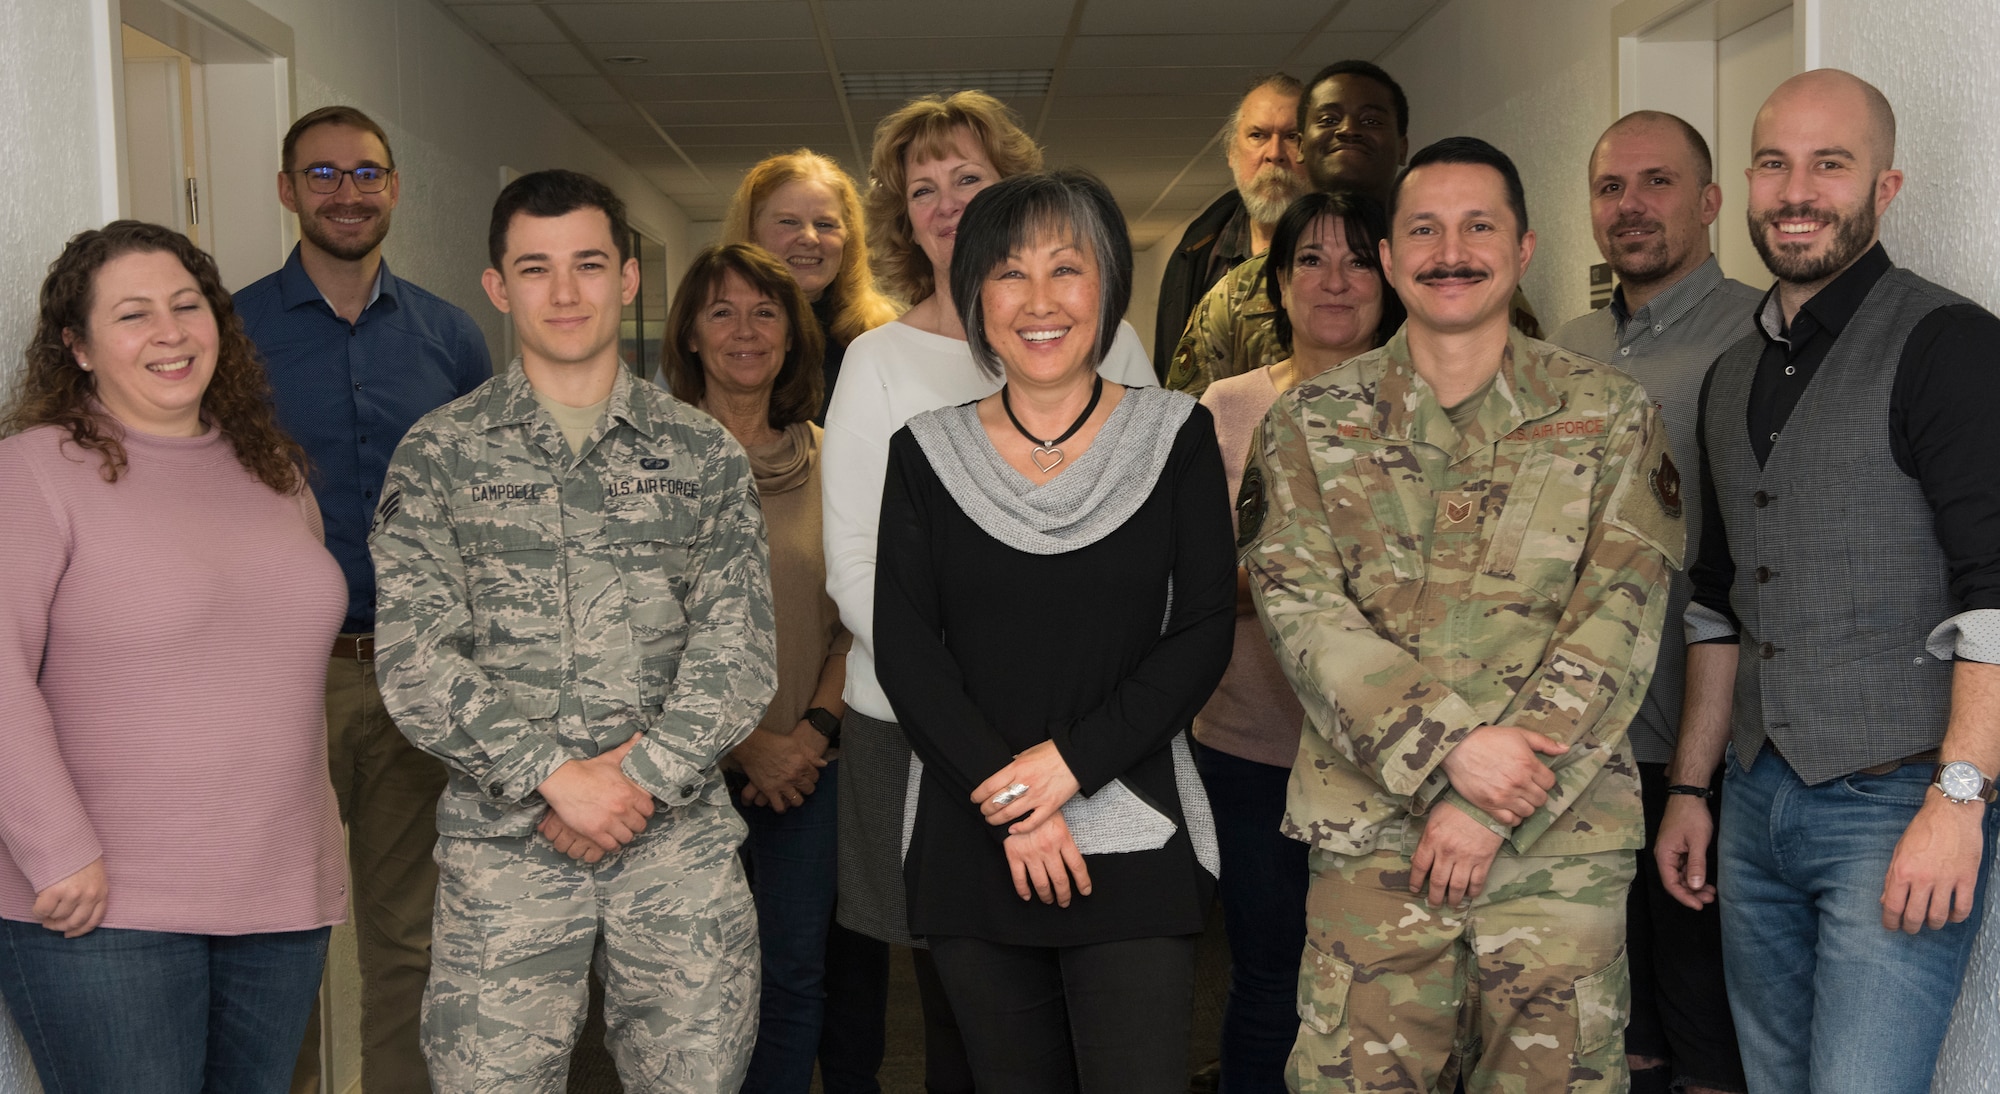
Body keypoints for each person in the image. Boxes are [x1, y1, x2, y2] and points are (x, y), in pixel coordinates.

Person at [1239, 137, 1684, 1092]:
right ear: (1391, 259)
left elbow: (1621, 615)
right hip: (1373, 848)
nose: (1452, 250)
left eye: (1479, 226)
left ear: (1523, 249)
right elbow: (1304, 615)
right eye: (1424, 230)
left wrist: (1486, 796)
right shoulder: (1307, 425)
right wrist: (1449, 750)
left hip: (1555, 853)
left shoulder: (1610, 414)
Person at [371, 169, 776, 1092]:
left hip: (676, 854)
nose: (565, 293)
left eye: (589, 265)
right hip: (504, 852)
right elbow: (417, 658)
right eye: (536, 268)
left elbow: (739, 651)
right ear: (497, 286)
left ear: (629, 280)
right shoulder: (440, 454)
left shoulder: (702, 452)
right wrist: (557, 780)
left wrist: (632, 783)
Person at [1655, 69, 2000, 1094]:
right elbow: (1716, 602)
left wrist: (1959, 796)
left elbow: (1993, 588)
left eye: (1827, 164)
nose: (1794, 190)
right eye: (1772, 163)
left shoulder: (1949, 343)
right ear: (1744, 186)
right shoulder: (1730, 373)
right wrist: (1689, 787)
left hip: (1895, 798)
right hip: (1755, 800)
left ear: (1882, 187)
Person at [819, 89, 1157, 1094]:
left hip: (1084, 726)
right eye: (921, 187)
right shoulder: (876, 363)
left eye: (966, 177)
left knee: (1093, 986)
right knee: (962, 1012)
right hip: (923, 733)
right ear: (899, 217)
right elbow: (856, 565)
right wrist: (976, 723)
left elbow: (1146, 544)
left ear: (1014, 187)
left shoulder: (1109, 341)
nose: (944, 200)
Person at [874, 168, 1236, 1094]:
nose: (1039, 302)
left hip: (1137, 833)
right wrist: (1009, 802)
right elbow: (910, 655)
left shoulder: (1177, 435)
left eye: (1066, 270)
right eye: (1007, 274)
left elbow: (1199, 634)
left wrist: (1064, 771)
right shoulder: (924, 451)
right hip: (970, 842)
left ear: (1108, 286)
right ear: (976, 298)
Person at [0, 220, 348, 1091]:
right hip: (105, 902)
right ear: (76, 346)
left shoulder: (273, 471)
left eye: (187, 306)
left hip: (277, 892)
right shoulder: (34, 471)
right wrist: (58, 848)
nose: (169, 332)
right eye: (132, 315)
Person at [231, 104, 493, 1094]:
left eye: (367, 172)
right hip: (278, 684)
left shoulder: (450, 337)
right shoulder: (232, 333)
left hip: (417, 674)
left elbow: (482, 497)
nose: (348, 192)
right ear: (288, 190)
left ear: (394, 187)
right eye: (324, 173)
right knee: (280, 930)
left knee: (410, 934)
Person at [1551, 110, 1758, 1094]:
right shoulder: (1566, 347)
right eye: (1609, 187)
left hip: (1700, 750)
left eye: (1656, 182)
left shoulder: (1755, 338)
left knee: (1704, 1024)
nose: (1629, 205)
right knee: (1611, 1026)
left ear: (1709, 201)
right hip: (1579, 751)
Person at [1193, 189, 1403, 1094]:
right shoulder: (1224, 409)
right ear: (1277, 286)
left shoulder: (1425, 401)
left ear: (1387, 278)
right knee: (1271, 981)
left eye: (1357, 259)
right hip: (1255, 749)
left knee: (1387, 989)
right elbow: (1192, 582)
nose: (1334, 280)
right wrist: (1308, 585)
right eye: (1309, 261)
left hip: (1390, 753)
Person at [659, 241, 858, 1094]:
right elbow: (640, 634)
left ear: (792, 335)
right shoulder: (649, 463)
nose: (745, 330)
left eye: (765, 311)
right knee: (687, 988)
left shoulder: (835, 460)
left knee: (793, 977)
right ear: (691, 337)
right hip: (681, 775)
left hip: (810, 772)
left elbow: (861, 619)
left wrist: (810, 733)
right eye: (722, 312)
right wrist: (747, 744)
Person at [1167, 60, 1542, 399]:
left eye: (1371, 121)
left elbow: (1528, 394)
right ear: (1300, 146)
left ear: (1402, 147)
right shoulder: (1238, 293)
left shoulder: (1460, 275)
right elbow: (1187, 432)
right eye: (1328, 120)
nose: (1348, 130)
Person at [721, 150, 900, 420]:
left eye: (825, 224)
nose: (808, 237)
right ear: (752, 231)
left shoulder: (879, 337)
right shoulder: (715, 336)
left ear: (847, 236)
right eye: (788, 222)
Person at [1151, 73, 1306, 379]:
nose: (1274, 154)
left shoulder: (1347, 254)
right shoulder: (1194, 256)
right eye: (1258, 136)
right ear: (1231, 153)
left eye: (1292, 136)